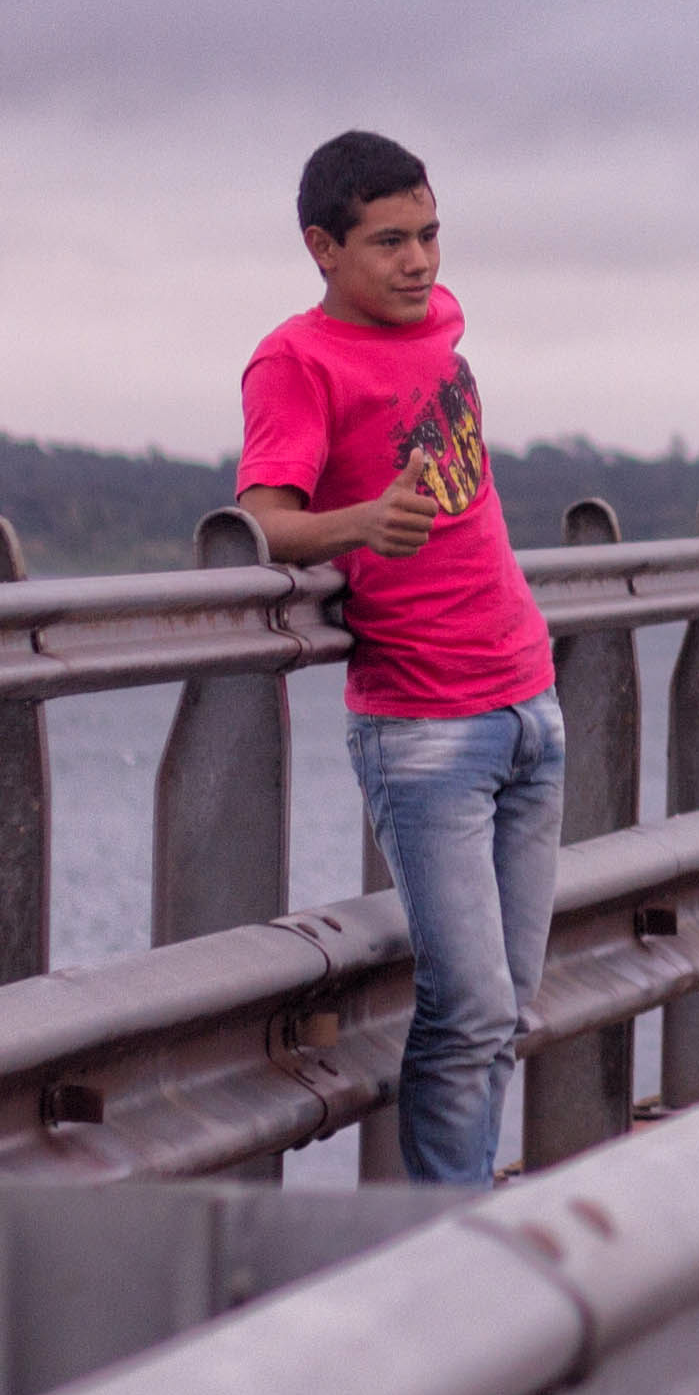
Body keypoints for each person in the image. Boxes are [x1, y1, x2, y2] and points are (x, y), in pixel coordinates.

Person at [231, 130, 562, 1189]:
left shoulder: (440, 322)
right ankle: (445, 1248)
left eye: (428, 235)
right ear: (322, 247)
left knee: (507, 999)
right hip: (423, 724)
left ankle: (454, 1220)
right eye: (388, 243)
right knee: (469, 1005)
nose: (419, 263)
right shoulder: (296, 359)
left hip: (527, 702)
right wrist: (364, 520)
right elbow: (263, 525)